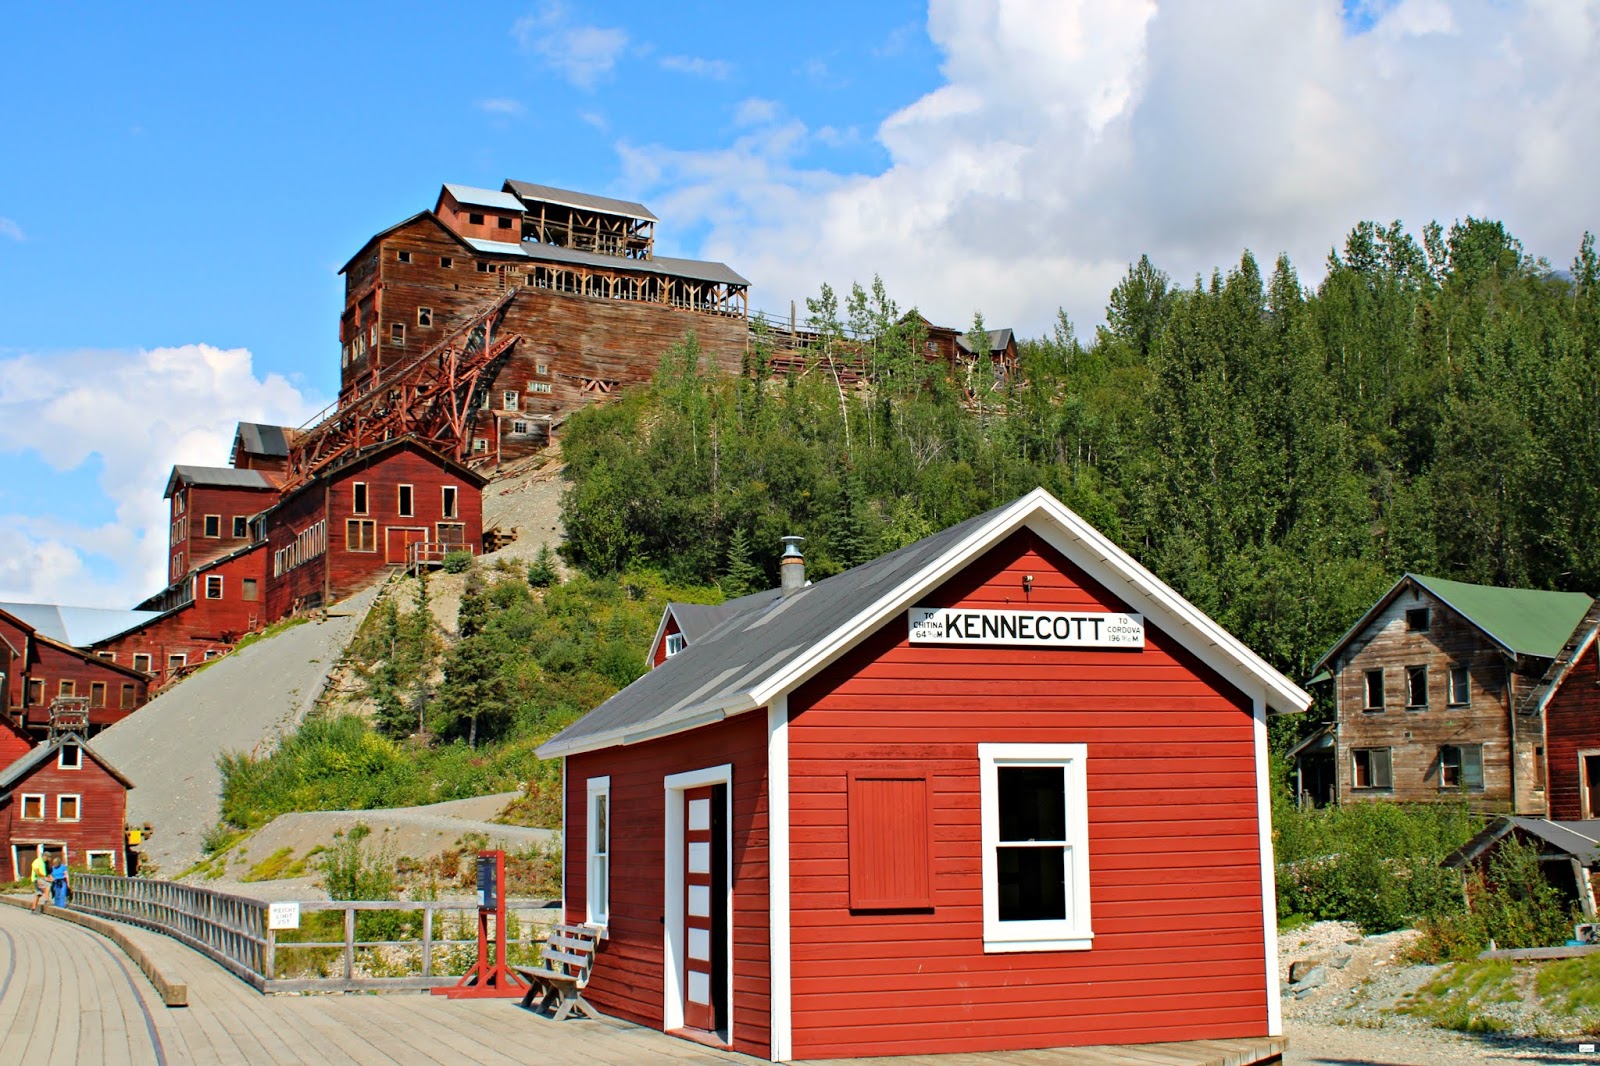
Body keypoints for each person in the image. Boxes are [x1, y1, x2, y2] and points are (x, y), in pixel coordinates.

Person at [30, 848, 50, 913]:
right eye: (48, 858)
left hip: (39, 878)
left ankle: (33, 908)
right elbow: (36, 871)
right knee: (48, 886)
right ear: (45, 856)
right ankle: (46, 901)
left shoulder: (43, 863)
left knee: (38, 893)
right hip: (38, 878)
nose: (48, 859)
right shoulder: (37, 861)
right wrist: (44, 877)